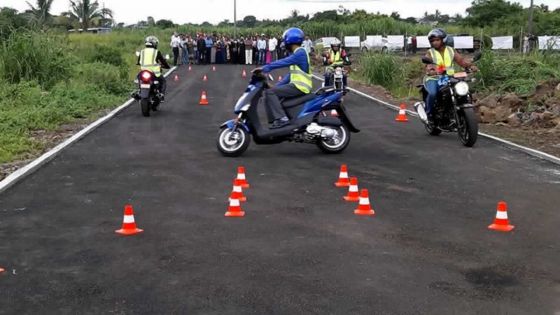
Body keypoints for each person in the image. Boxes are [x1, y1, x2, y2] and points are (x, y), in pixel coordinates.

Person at [253, 27, 313, 129]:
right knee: (271, 92)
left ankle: (282, 119)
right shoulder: (298, 53)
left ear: (290, 41)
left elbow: (283, 62)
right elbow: (290, 76)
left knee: (269, 93)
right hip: (296, 85)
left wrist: (265, 68)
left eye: (285, 41)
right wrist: (276, 87)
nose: (284, 44)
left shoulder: (300, 53)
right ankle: (279, 120)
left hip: (300, 87)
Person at [422, 28, 478, 122]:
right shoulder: (430, 52)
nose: (435, 43)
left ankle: (458, 111)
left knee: (463, 91)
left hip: (449, 78)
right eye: (433, 41)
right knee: (433, 94)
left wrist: (471, 66)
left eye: (437, 40)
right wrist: (432, 70)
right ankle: (429, 114)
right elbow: (428, 65)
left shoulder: (451, 50)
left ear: (443, 39)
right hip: (434, 78)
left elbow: (461, 61)